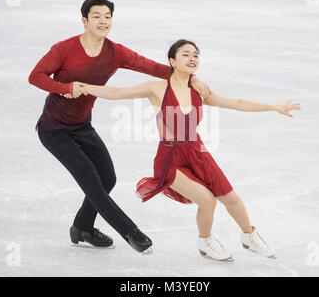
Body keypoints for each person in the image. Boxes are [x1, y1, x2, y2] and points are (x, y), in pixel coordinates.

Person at [70, 39, 302, 261]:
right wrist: (83, 86)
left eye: (195, 55)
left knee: (231, 198)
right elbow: (116, 93)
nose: (192, 58)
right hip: (170, 156)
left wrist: (274, 107)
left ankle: (249, 235)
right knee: (208, 201)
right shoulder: (157, 88)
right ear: (172, 61)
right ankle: (205, 241)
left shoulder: (200, 91)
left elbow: (237, 103)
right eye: (186, 54)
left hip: (197, 152)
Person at [28, 0, 210, 254]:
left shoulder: (115, 53)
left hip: (82, 126)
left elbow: (152, 68)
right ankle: (130, 232)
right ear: (84, 21)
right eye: (97, 16)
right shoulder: (64, 49)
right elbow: (35, 76)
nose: (103, 21)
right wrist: (64, 87)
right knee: (91, 179)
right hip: (54, 130)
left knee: (108, 178)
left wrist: (191, 78)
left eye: (107, 16)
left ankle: (82, 227)